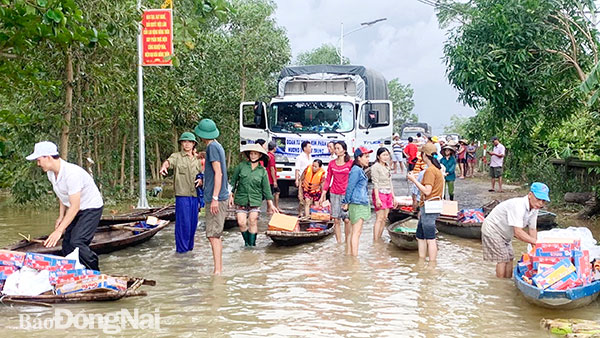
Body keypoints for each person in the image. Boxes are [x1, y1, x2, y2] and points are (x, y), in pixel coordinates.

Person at [26, 141, 103, 270]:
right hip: (75, 208)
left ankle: (95, 271)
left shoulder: (72, 174)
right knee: (67, 245)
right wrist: (61, 216)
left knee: (77, 242)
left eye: (39, 160)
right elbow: (63, 195)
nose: (38, 164)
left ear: (48, 157)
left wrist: (59, 230)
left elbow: (75, 206)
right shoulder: (51, 173)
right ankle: (76, 270)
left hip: (91, 208)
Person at [481, 182, 550, 278]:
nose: (540, 203)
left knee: (510, 257)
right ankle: (501, 285)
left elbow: (533, 229)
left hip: (505, 232)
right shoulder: (519, 205)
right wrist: (536, 242)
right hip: (493, 229)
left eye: (543, 201)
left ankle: (508, 280)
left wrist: (535, 248)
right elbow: (518, 233)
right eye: (538, 199)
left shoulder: (535, 208)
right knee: (503, 258)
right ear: (530, 195)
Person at [195, 118, 229, 275]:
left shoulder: (212, 148)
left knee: (213, 235)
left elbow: (219, 173)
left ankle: (217, 271)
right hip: (216, 195)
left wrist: (215, 197)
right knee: (214, 234)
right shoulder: (216, 146)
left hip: (216, 197)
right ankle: (218, 269)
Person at [159, 132, 203, 253]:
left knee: (193, 225)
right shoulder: (177, 156)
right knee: (183, 225)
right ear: (181, 144)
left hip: (195, 196)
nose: (187, 144)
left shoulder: (197, 160)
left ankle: (190, 251)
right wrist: (164, 167)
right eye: (184, 142)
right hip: (182, 196)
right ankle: (182, 252)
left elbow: (202, 174)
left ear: (194, 144)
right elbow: (168, 162)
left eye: (189, 142)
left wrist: (201, 180)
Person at [229, 144, 279, 247]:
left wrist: (271, 204)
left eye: (255, 154)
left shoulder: (262, 171)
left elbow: (266, 189)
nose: (253, 156)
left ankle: (252, 245)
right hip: (241, 199)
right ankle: (247, 243)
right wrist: (231, 195)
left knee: (252, 220)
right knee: (241, 223)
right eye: (251, 153)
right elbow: (233, 182)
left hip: (255, 200)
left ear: (260, 155)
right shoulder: (241, 166)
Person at [407, 143, 444, 261]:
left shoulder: (430, 171)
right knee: (421, 236)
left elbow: (427, 191)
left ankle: (432, 265)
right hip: (429, 207)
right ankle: (421, 261)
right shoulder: (437, 170)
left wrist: (413, 180)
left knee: (430, 238)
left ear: (424, 155)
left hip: (429, 207)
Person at [342, 147, 373, 256]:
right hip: (358, 203)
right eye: (366, 157)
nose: (368, 159)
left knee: (353, 232)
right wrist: (345, 202)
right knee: (356, 232)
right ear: (358, 158)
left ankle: (350, 255)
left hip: (357, 202)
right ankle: (354, 258)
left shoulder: (357, 170)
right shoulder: (356, 170)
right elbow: (350, 187)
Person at [321, 141, 353, 244]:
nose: (336, 150)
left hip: (346, 194)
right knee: (336, 220)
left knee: (347, 219)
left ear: (344, 150)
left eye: (338, 148)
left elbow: (354, 179)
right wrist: (323, 194)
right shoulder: (332, 163)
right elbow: (328, 179)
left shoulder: (350, 163)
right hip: (334, 193)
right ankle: (339, 243)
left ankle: (348, 241)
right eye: (335, 148)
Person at [371, 148, 397, 241]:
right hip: (380, 192)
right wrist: (377, 198)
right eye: (384, 155)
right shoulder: (375, 167)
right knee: (379, 217)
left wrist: (393, 196)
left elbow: (390, 182)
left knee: (385, 218)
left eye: (387, 155)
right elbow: (375, 184)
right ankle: (375, 240)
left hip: (388, 192)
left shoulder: (387, 166)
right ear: (378, 156)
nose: (386, 157)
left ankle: (379, 237)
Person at [266, 141, 280, 211]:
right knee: (270, 195)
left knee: (277, 192)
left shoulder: (267, 155)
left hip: (268, 178)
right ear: (274, 148)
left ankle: (275, 207)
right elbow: (272, 169)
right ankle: (269, 209)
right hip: (270, 180)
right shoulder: (271, 156)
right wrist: (274, 180)